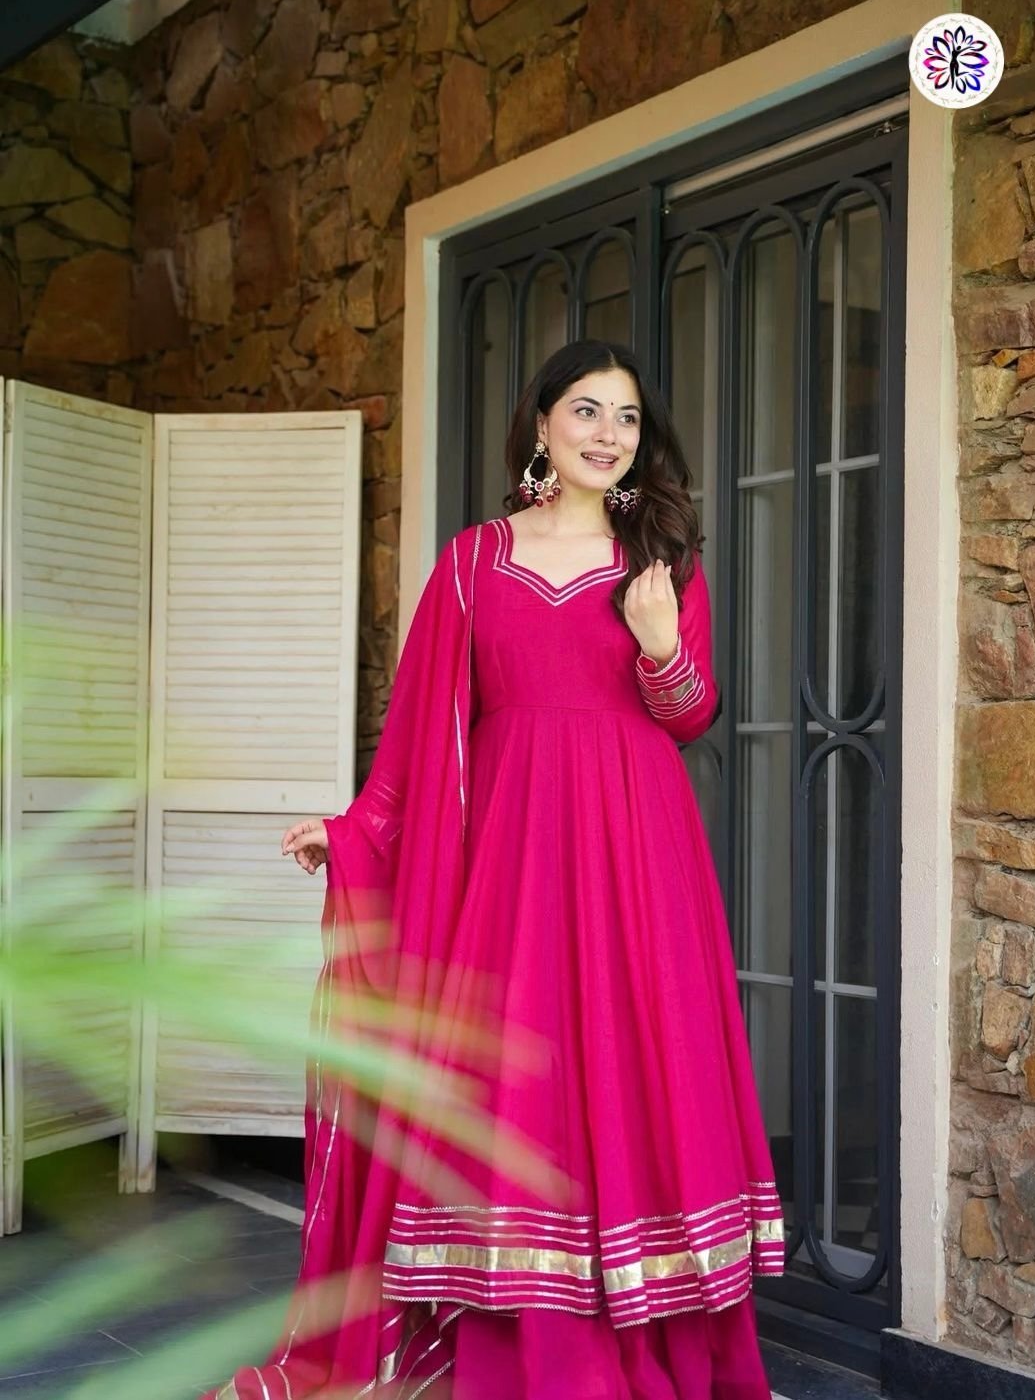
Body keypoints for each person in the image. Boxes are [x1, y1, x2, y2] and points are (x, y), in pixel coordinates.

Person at [208, 339, 784, 1400]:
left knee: (635, 1059)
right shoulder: (474, 563)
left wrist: (661, 643)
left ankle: (638, 1336)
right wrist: (358, 829)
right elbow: (422, 728)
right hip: (513, 862)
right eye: (587, 411)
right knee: (519, 1071)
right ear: (542, 425)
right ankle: (518, 1340)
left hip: (639, 851)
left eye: (627, 417)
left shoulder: (660, 557)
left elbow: (689, 716)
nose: (609, 434)